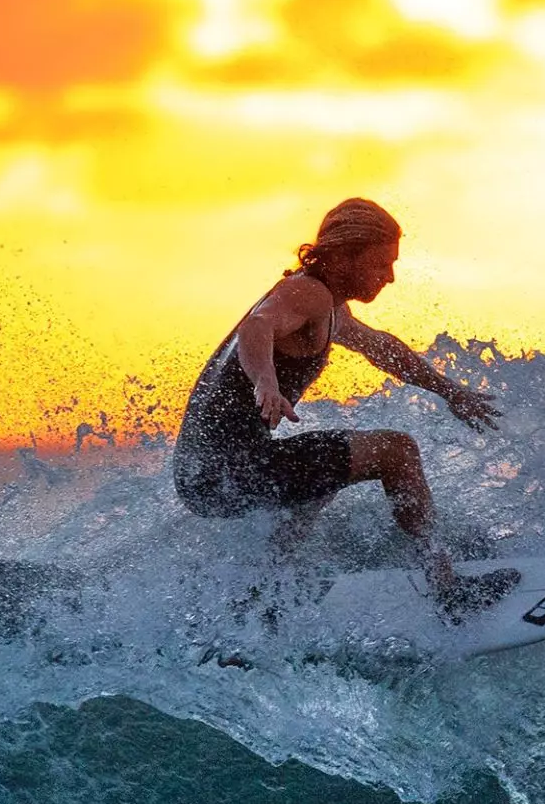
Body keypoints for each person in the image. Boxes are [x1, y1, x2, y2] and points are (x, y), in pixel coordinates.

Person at [172, 198, 518, 617]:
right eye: (380, 263)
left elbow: (381, 348)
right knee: (397, 452)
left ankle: (261, 599)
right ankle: (447, 589)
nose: (389, 277)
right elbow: (257, 325)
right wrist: (265, 379)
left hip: (204, 475)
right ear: (345, 253)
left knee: (330, 470)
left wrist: (449, 391)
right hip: (224, 470)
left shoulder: (329, 305)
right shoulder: (307, 292)